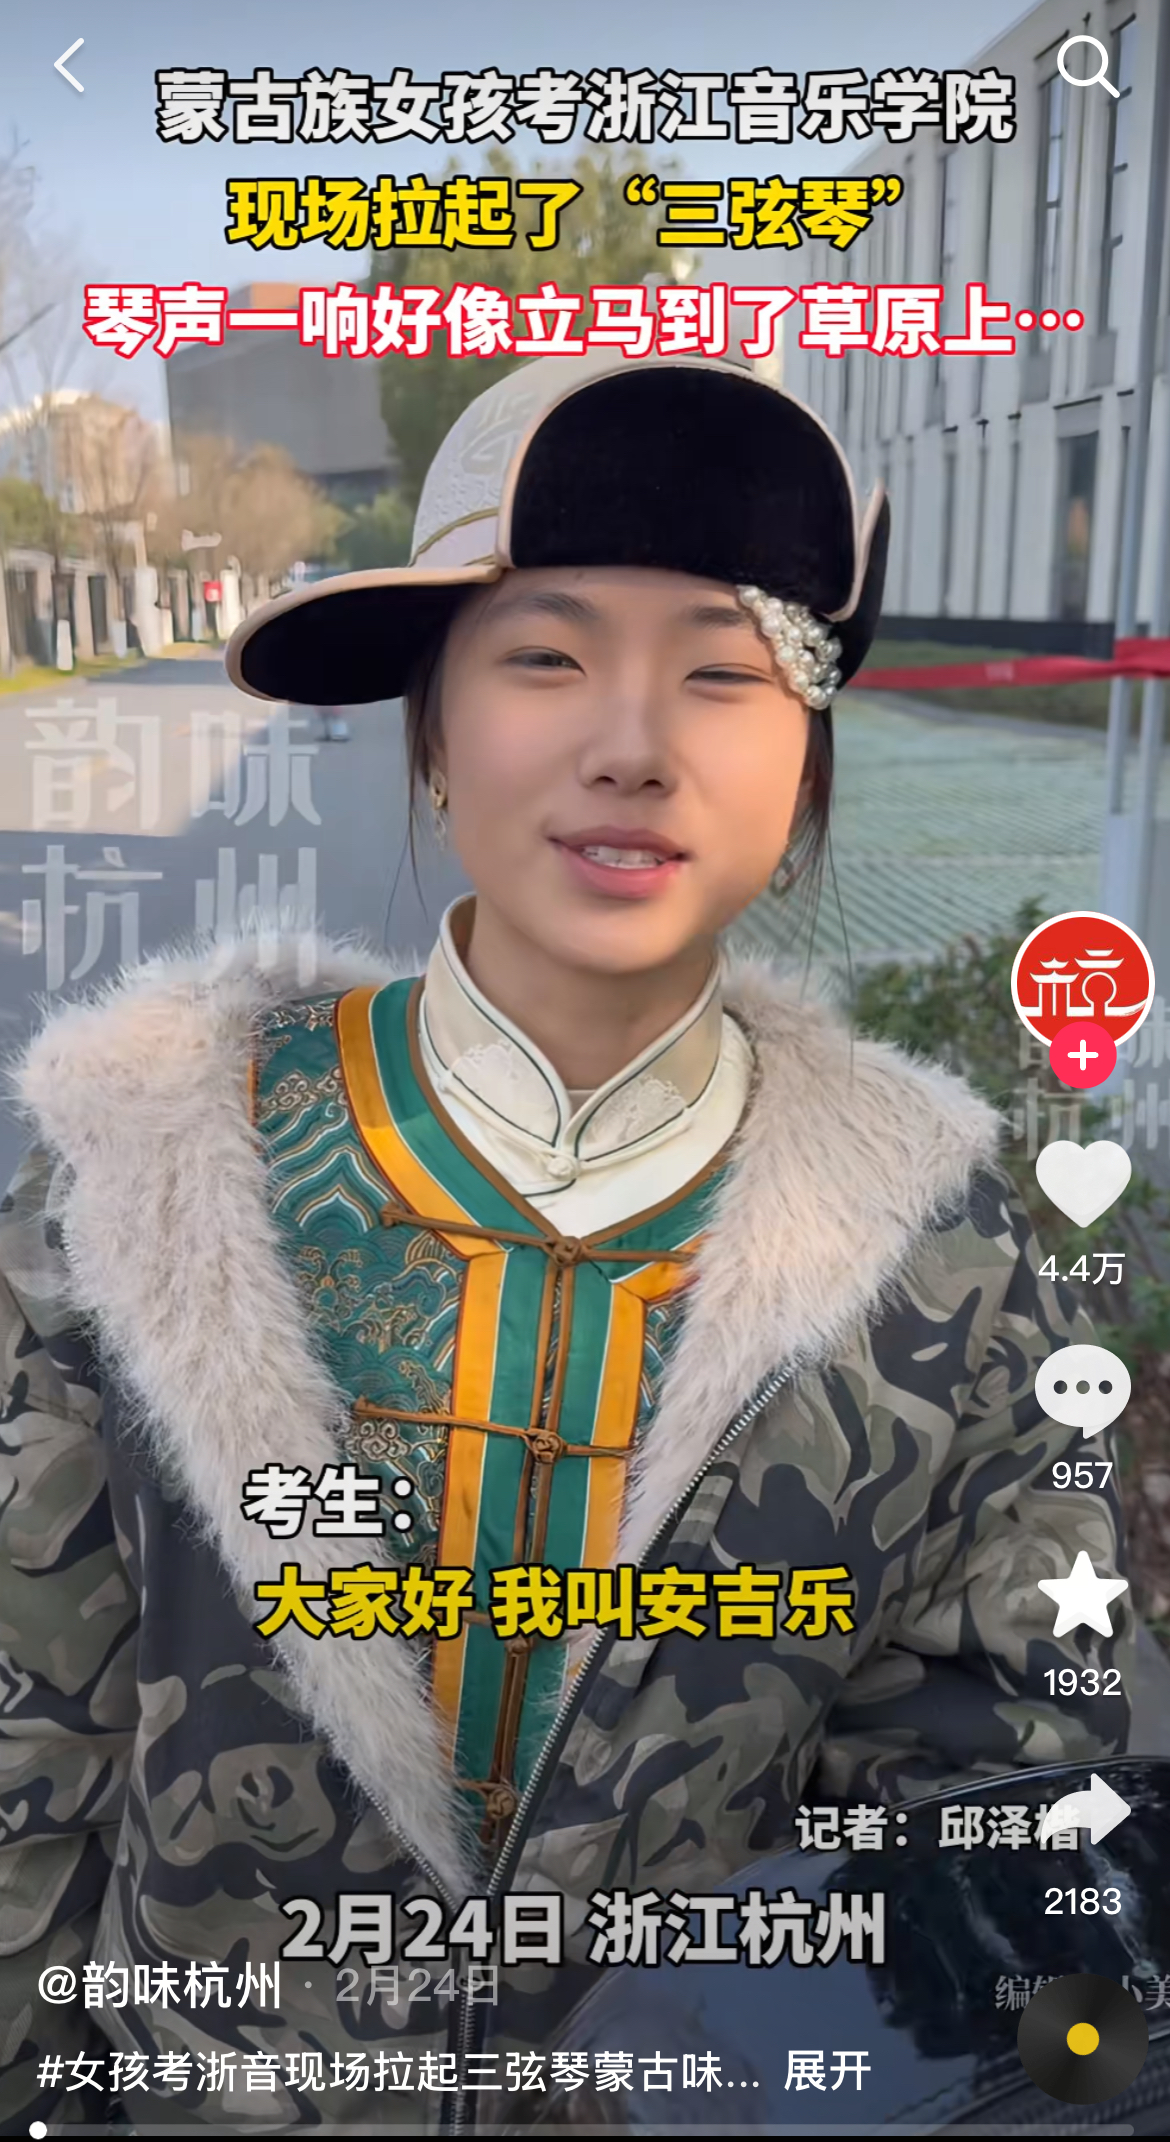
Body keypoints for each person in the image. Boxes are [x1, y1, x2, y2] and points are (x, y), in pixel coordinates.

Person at [0, 350, 1132, 2134]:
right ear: (431, 733)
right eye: (543, 656)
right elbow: (28, 1755)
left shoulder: (943, 1263)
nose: (632, 743)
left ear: (805, 770)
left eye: (721, 672)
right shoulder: (140, 1176)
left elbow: (986, 1813)